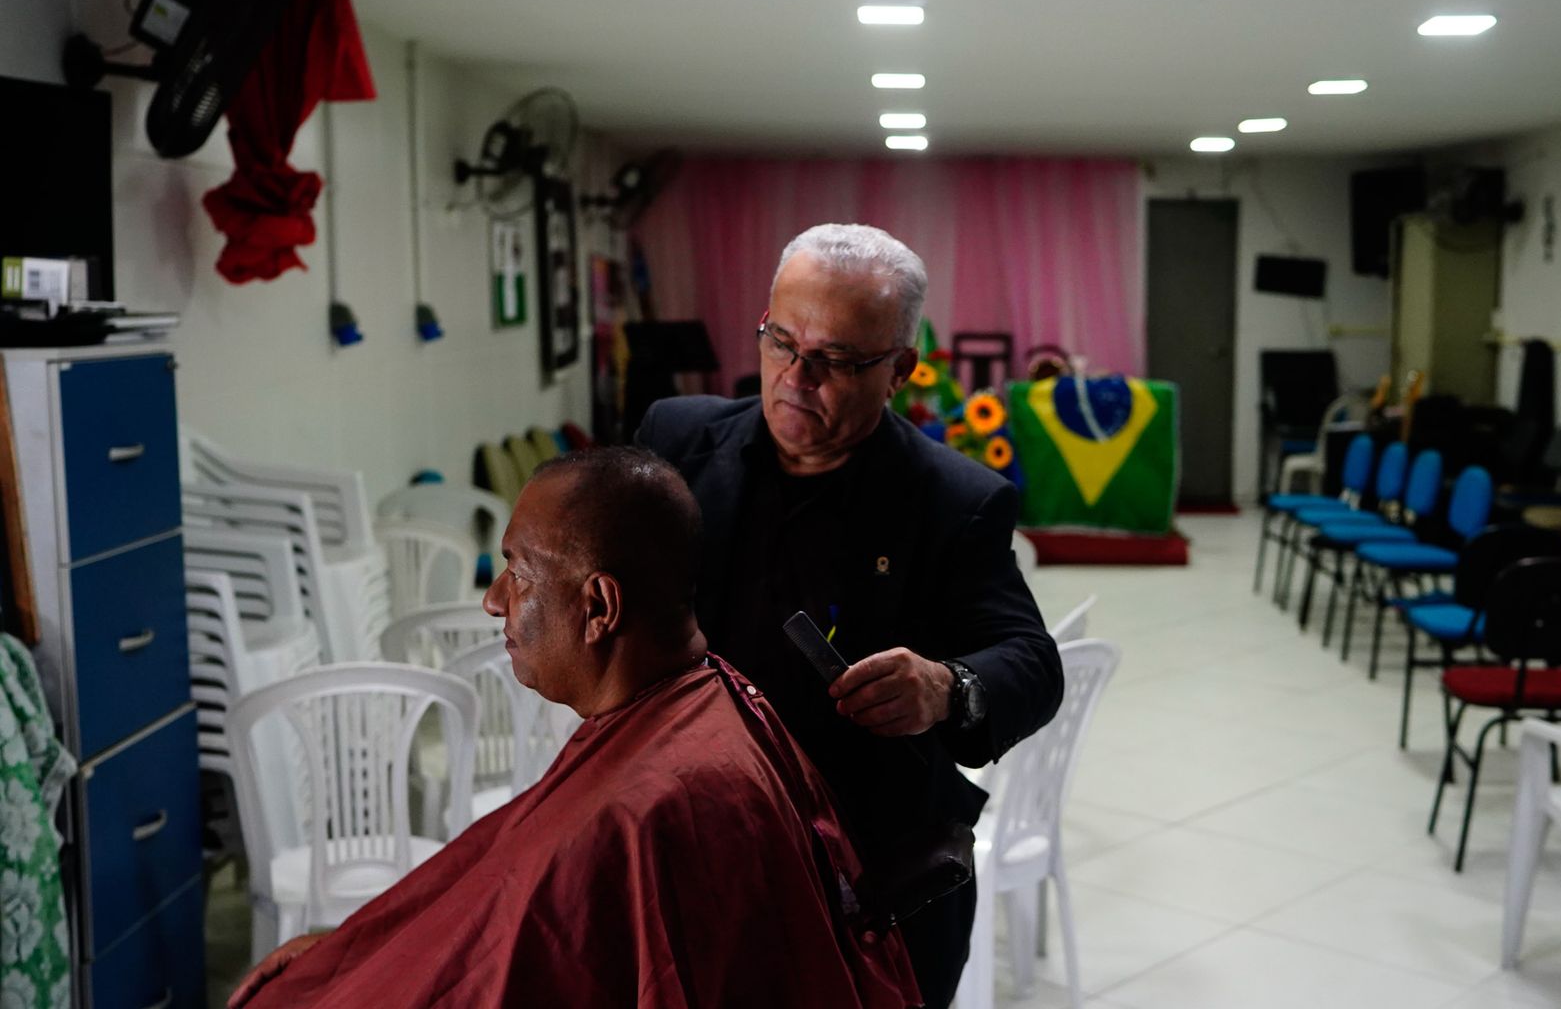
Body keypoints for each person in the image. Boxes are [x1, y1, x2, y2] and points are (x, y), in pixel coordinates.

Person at [230, 447, 920, 1009]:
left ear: (598, 607)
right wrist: (365, 947)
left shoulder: (644, 811)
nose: (494, 600)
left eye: (517, 571)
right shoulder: (716, 696)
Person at [636, 223, 1063, 1006]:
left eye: (834, 360)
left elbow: (1032, 661)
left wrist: (945, 686)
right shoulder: (676, 439)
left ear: (899, 368)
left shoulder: (953, 500)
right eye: (780, 343)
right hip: (695, 842)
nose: (796, 377)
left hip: (868, 866)